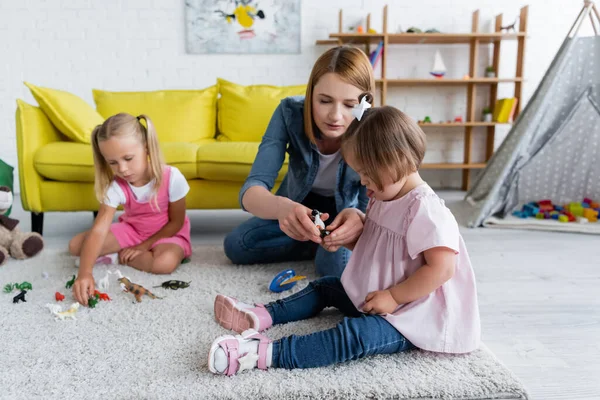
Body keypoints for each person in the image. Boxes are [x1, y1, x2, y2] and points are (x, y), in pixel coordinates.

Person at [207, 103, 481, 375]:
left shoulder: (426, 209)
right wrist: (345, 241)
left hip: (415, 316)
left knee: (354, 335)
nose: (362, 182)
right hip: (381, 294)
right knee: (326, 287)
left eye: (367, 173)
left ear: (395, 159)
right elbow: (383, 248)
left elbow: (442, 268)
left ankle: (261, 353)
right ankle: (260, 315)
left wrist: (395, 297)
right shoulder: (385, 194)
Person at [224, 45, 375, 278]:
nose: (335, 115)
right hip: (297, 208)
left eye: (349, 105)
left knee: (333, 272)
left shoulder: (375, 127)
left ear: (364, 103)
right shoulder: (289, 112)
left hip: (344, 215)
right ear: (310, 94)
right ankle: (314, 243)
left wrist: (360, 219)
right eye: (324, 101)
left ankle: (319, 246)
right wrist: (283, 208)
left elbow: (380, 203)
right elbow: (251, 191)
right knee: (237, 245)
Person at [68, 113, 192, 306]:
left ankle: (119, 256)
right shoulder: (116, 186)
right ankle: (123, 253)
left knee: (164, 263)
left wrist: (143, 247)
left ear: (147, 147)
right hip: (133, 231)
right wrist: (84, 273)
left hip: (167, 233)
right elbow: (99, 229)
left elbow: (176, 222)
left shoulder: (172, 177)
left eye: (128, 158)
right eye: (113, 163)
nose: (123, 169)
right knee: (76, 246)